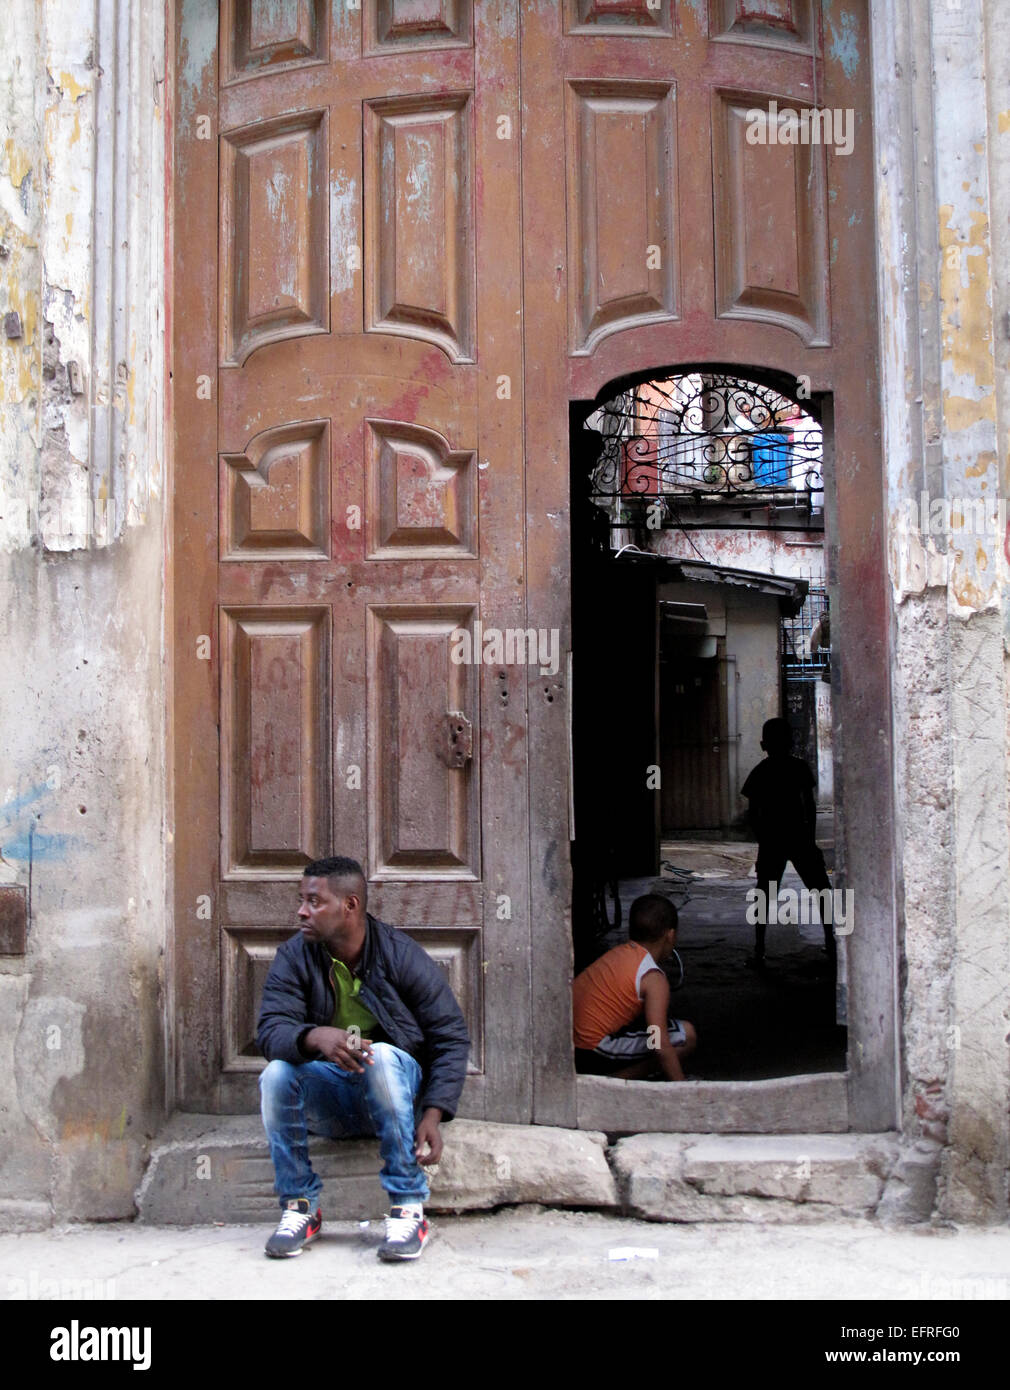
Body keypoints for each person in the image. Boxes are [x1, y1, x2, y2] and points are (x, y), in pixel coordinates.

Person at [256, 855, 470, 1263]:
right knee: (276, 1074)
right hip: (332, 1099)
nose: (302, 910)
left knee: (385, 1056)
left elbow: (450, 1037)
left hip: (395, 1099)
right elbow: (270, 1031)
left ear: (350, 906)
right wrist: (315, 1036)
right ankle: (299, 1205)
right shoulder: (295, 956)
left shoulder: (399, 955)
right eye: (302, 900)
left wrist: (433, 1114)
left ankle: (408, 1205)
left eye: (314, 901)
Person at [741, 716, 836, 967]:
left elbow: (753, 812)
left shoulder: (761, 772)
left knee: (764, 894)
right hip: (799, 837)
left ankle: (759, 948)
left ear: (763, 745)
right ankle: (832, 941)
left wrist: (764, 839)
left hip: (773, 841)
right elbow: (810, 805)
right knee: (821, 889)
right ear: (792, 742)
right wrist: (810, 837)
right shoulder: (800, 768)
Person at [572, 894, 697, 1080]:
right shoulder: (652, 977)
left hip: (570, 1045)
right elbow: (659, 1042)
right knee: (686, 1034)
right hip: (593, 1050)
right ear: (670, 935)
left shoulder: (617, 953)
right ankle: (616, 1080)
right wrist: (682, 1086)